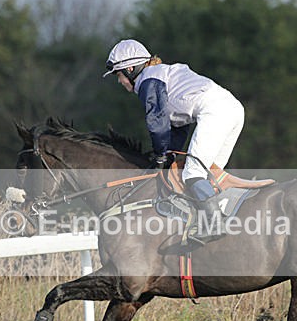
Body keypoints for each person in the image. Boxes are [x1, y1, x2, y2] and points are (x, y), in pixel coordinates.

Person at [103, 39, 245, 240]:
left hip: (215, 111)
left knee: (193, 174)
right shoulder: (162, 74)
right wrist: (169, 155)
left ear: (130, 68)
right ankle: (221, 222)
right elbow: (178, 126)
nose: (119, 81)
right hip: (233, 108)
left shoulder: (148, 80)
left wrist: (160, 155)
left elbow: (157, 122)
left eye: (119, 75)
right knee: (210, 177)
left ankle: (215, 225)